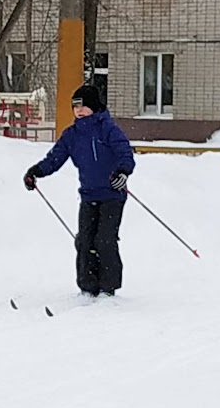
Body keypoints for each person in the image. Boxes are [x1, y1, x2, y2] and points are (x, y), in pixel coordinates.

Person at [24, 84, 136, 297]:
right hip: (89, 196)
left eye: (83, 106)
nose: (79, 111)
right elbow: (55, 158)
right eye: (75, 107)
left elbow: (125, 153)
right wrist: (36, 172)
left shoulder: (108, 129)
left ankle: (108, 287)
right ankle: (87, 287)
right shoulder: (73, 134)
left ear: (94, 106)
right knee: (84, 241)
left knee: (104, 240)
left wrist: (123, 172)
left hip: (112, 194)